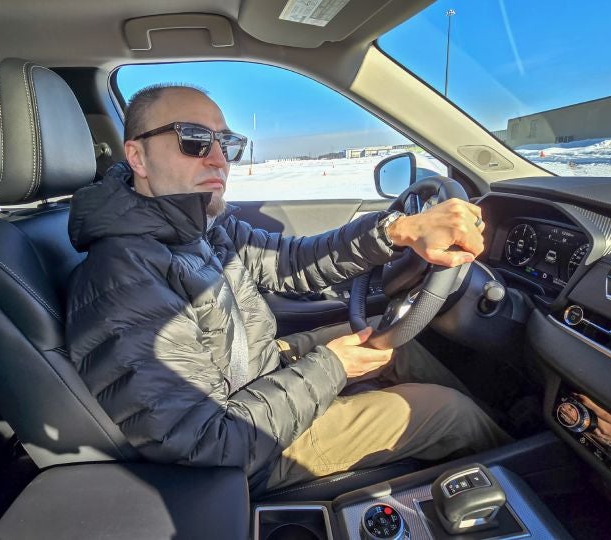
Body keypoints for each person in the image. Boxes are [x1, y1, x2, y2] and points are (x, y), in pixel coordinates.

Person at [66, 84, 510, 494]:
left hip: (257, 377)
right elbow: (205, 442)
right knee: (449, 413)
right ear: (138, 158)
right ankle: (534, 478)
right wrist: (334, 366)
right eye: (195, 139)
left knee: (395, 341)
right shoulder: (121, 278)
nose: (219, 159)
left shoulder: (199, 228)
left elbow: (292, 262)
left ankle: (505, 436)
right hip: (251, 451)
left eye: (228, 143)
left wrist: (397, 231)